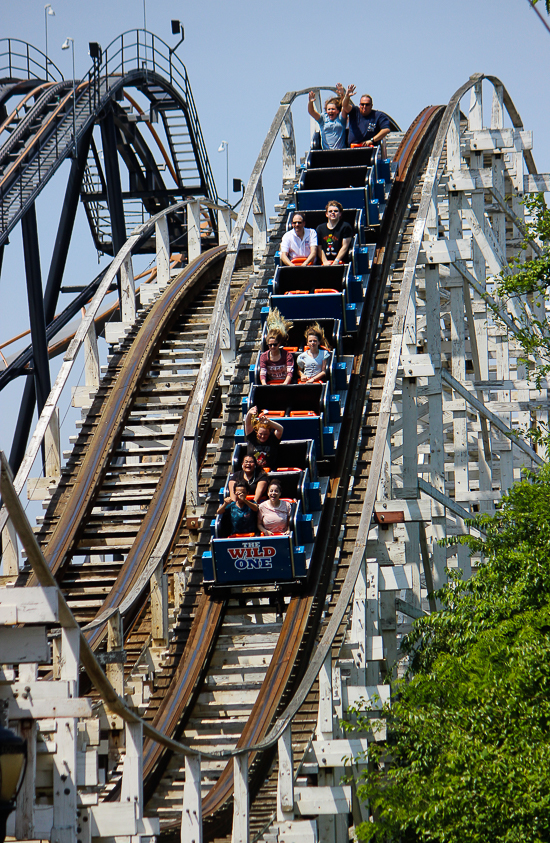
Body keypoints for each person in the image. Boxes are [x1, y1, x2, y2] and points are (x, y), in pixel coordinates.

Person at [336, 83, 391, 148]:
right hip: (353, 148)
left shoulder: (378, 115)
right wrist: (347, 96)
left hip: (369, 149)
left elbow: (386, 129)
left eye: (367, 104)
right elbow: (345, 106)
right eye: (362, 104)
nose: (364, 107)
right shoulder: (354, 111)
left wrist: (372, 140)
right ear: (359, 105)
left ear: (371, 105)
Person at [316, 201, 353, 265]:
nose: (333, 213)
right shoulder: (320, 228)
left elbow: (345, 246)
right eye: (330, 211)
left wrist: (336, 261)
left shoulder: (345, 227)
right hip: (324, 263)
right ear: (326, 214)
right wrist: (324, 261)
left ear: (340, 214)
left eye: (336, 211)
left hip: (341, 262)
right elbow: (319, 247)